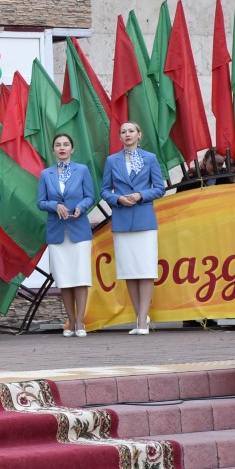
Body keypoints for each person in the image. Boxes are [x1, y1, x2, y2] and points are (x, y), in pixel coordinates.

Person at [101, 121, 166, 335]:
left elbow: (159, 188)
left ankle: (143, 322)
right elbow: (104, 190)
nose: (127, 134)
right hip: (122, 221)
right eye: (123, 131)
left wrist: (140, 195)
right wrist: (118, 198)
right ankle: (140, 317)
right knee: (129, 270)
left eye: (131, 131)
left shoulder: (150, 158)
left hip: (145, 221)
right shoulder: (112, 160)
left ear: (139, 134)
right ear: (119, 137)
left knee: (146, 270)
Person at [37, 134, 94, 338]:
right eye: (58, 145)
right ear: (53, 150)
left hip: (79, 230)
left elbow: (90, 196)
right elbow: (41, 202)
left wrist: (81, 207)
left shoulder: (82, 170)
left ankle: (80, 321)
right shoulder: (46, 174)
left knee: (80, 276)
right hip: (57, 232)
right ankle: (70, 320)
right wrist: (55, 205)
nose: (62, 148)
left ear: (72, 149)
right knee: (64, 278)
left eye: (66, 144)